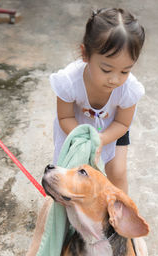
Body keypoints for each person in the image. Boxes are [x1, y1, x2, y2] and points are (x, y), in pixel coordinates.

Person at [50, 8, 145, 194]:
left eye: (125, 71)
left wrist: (101, 140)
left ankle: (119, 215)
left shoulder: (129, 89)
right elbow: (65, 117)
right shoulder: (69, 81)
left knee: (118, 172)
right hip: (75, 129)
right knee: (69, 174)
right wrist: (85, 141)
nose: (115, 79)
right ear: (85, 54)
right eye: (106, 69)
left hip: (112, 129)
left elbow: (122, 122)